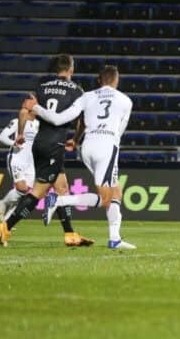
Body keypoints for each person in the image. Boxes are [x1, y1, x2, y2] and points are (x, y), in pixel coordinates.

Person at [26, 65, 136, 250]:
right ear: (116, 80)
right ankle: (58, 201)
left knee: (116, 192)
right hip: (107, 147)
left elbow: (58, 119)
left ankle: (115, 239)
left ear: (99, 80)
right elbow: (119, 132)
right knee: (106, 199)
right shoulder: (126, 100)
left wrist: (36, 107)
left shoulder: (87, 97)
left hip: (87, 146)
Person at [0, 54, 93, 247]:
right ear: (71, 69)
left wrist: (20, 133)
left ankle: (70, 234)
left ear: (55, 69)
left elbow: (24, 111)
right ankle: (6, 226)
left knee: (62, 188)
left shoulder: (41, 87)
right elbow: (83, 120)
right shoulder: (77, 90)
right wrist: (76, 139)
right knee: (39, 192)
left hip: (40, 142)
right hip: (55, 144)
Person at [0, 111, 39, 221]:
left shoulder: (38, 124)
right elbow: (1, 137)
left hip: (30, 163)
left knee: (23, 194)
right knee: (21, 188)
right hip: (16, 159)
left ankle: (6, 222)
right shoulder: (16, 122)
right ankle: (3, 203)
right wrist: (14, 143)